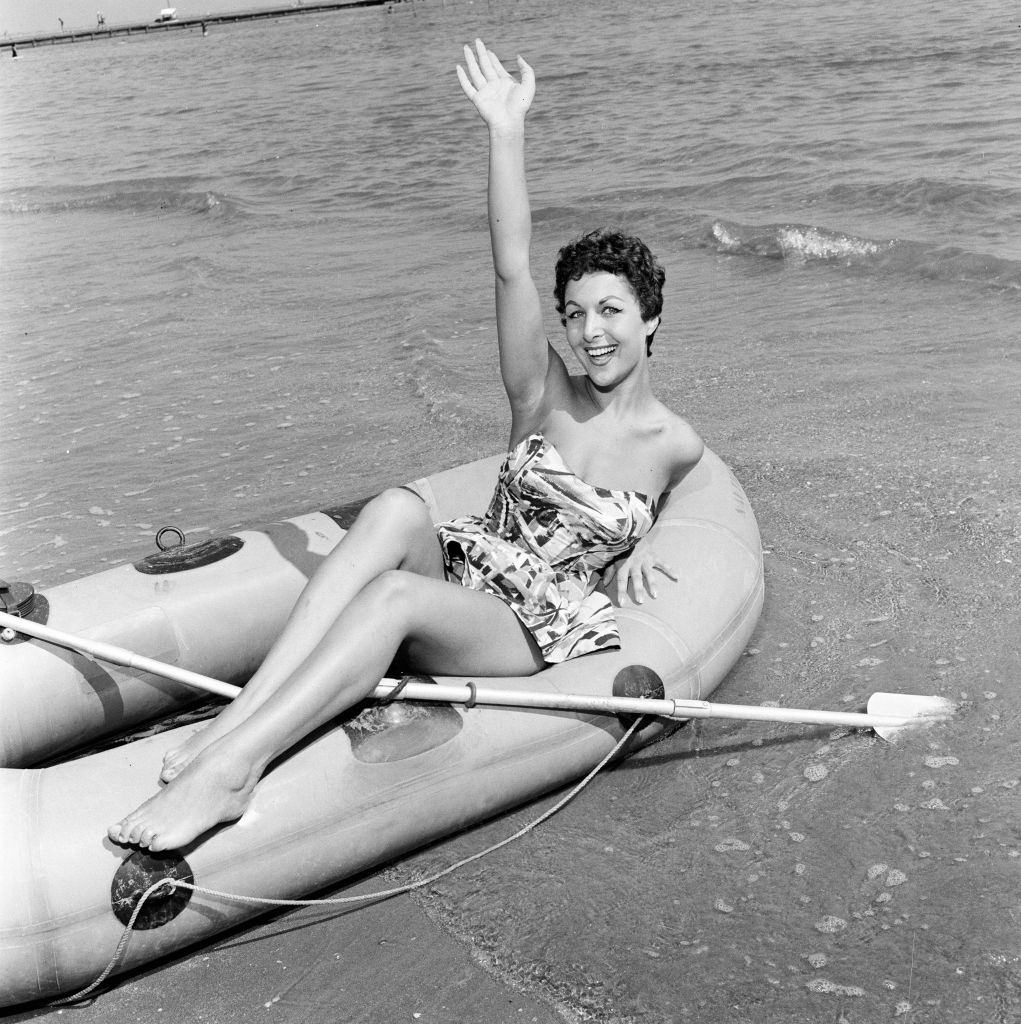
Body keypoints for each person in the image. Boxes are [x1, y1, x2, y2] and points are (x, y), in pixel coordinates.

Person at [107, 39, 703, 853]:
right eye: (575, 313)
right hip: (470, 564)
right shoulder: (541, 392)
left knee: (391, 600)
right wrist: (505, 132)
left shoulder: (677, 445)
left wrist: (651, 543)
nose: (590, 331)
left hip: (530, 622)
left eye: (611, 311)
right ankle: (242, 715)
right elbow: (508, 268)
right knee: (393, 507)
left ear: (650, 319)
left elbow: (692, 510)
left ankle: (236, 767)